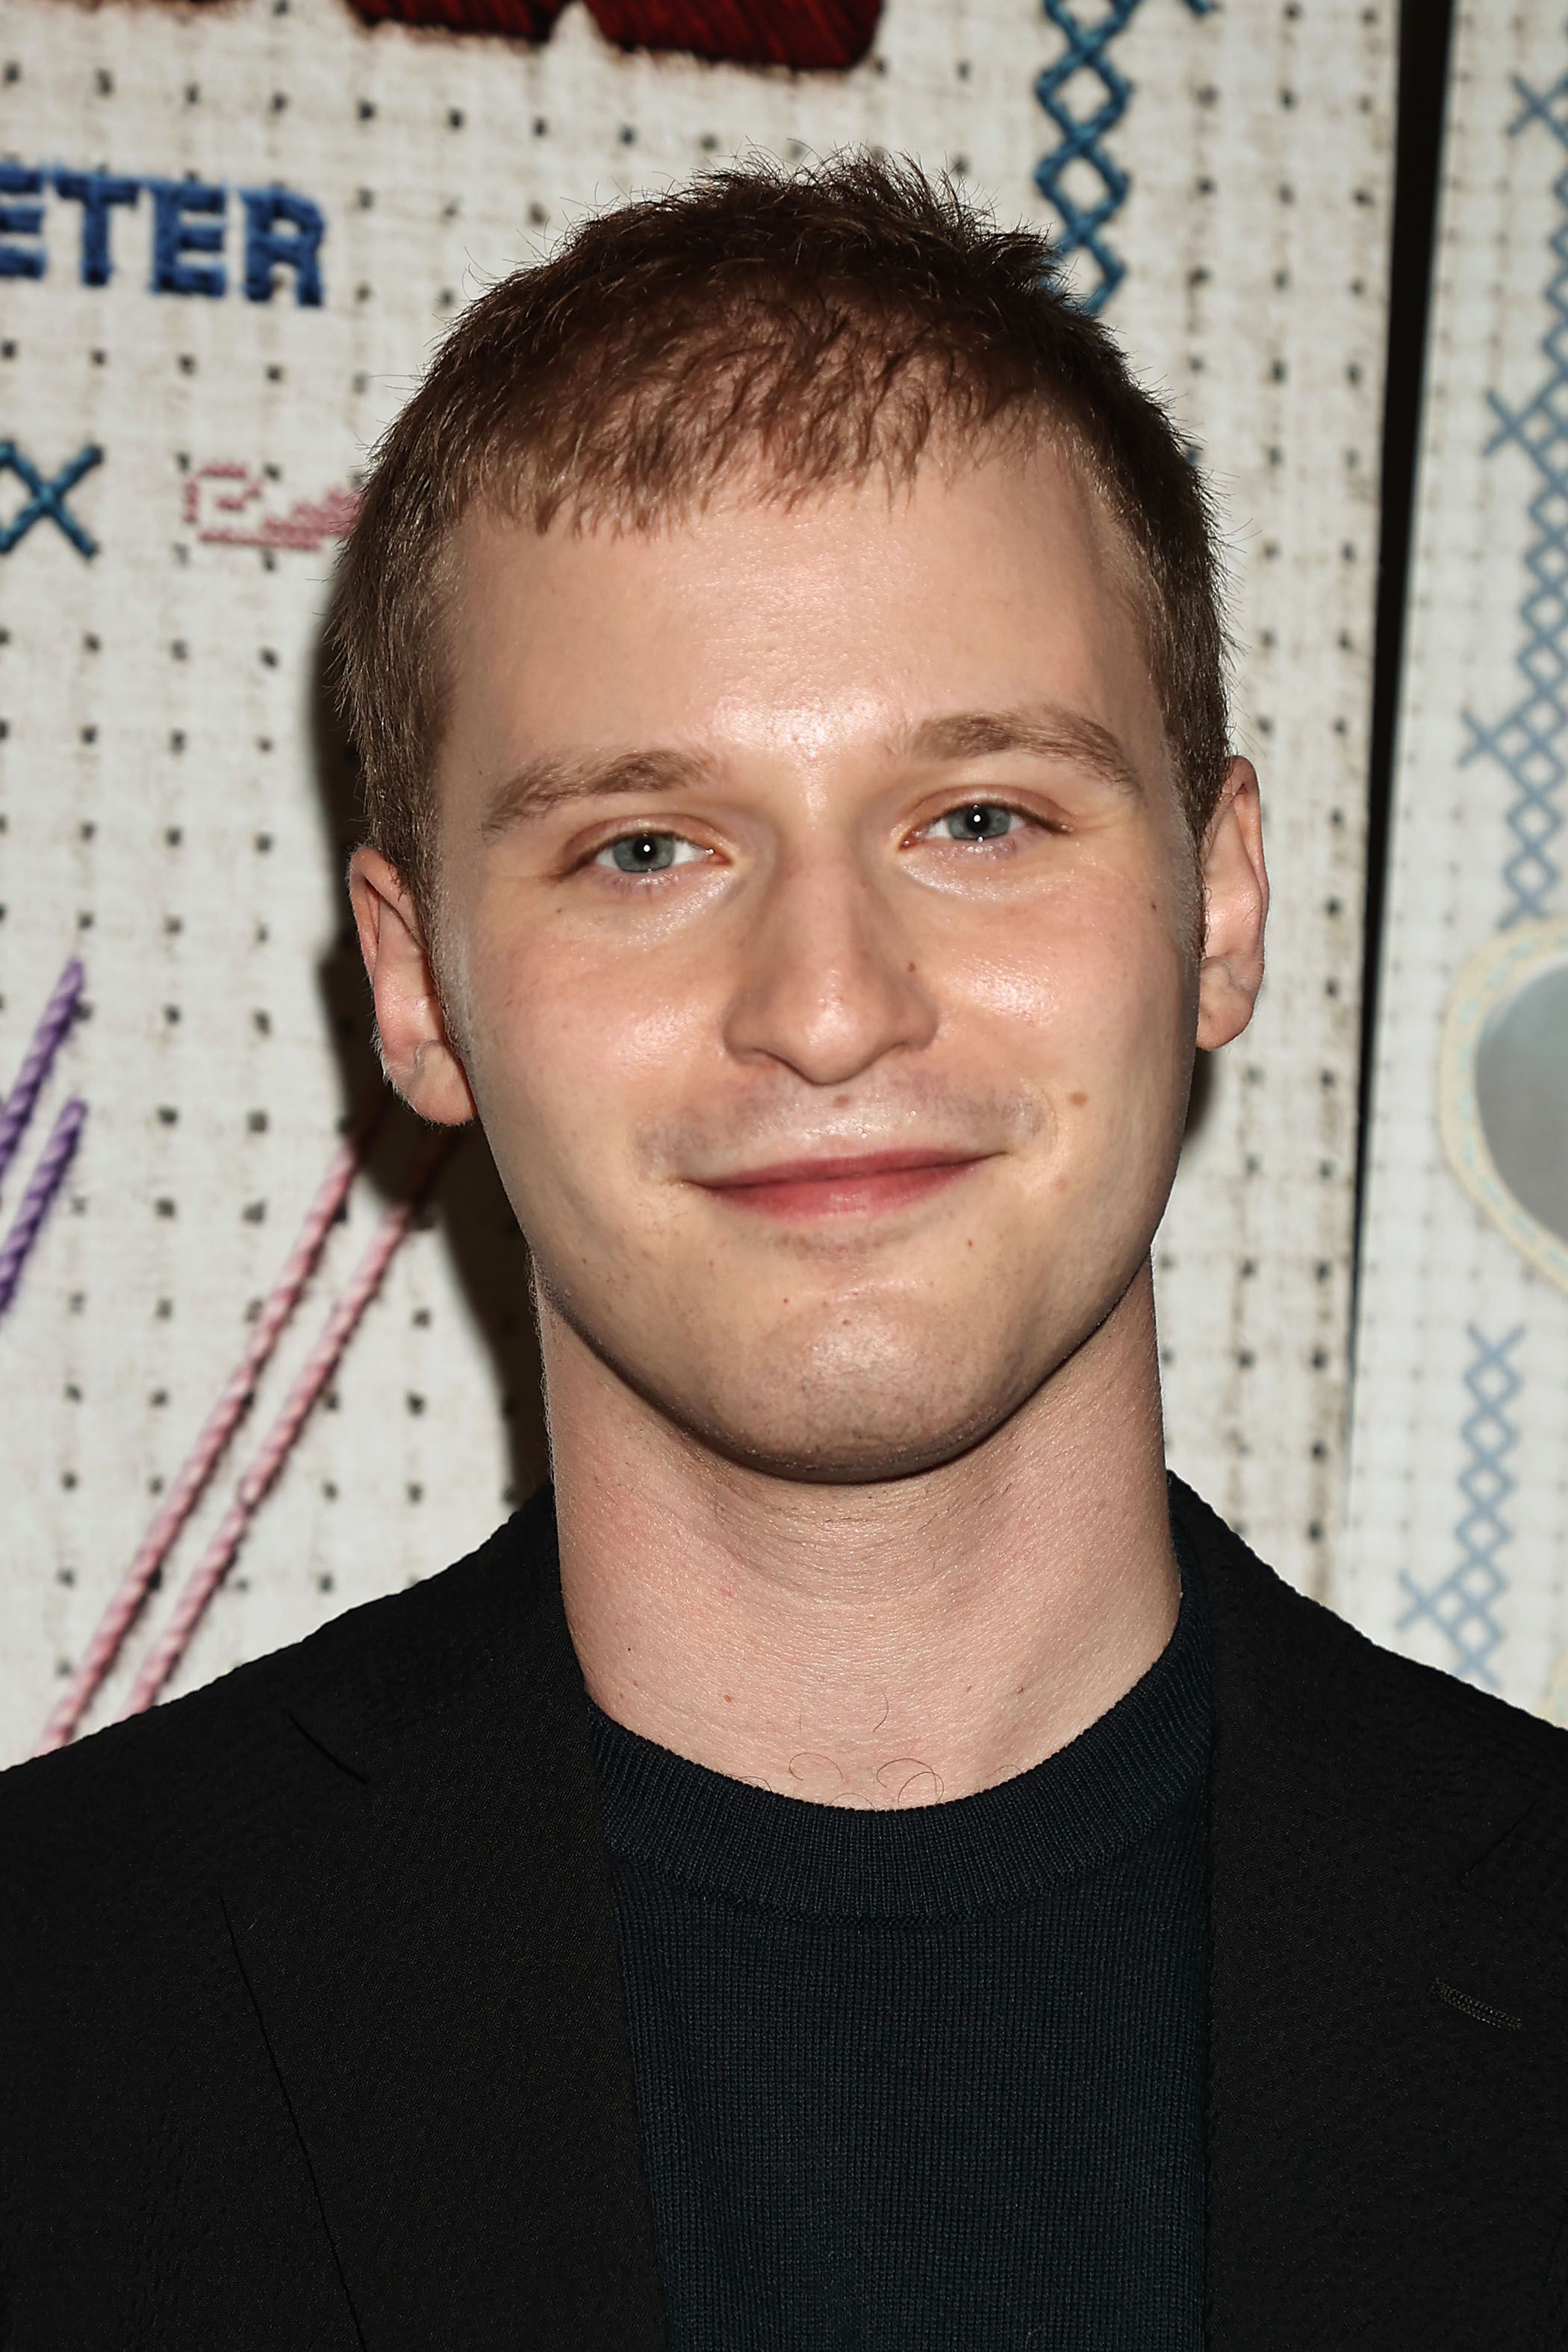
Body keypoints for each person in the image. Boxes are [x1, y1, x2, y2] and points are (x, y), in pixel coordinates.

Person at [2, 155, 1565, 2352]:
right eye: (646, 847)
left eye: (979, 819)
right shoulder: (55, 2021)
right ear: (419, 986)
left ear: (1214, 908)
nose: (828, 1002)